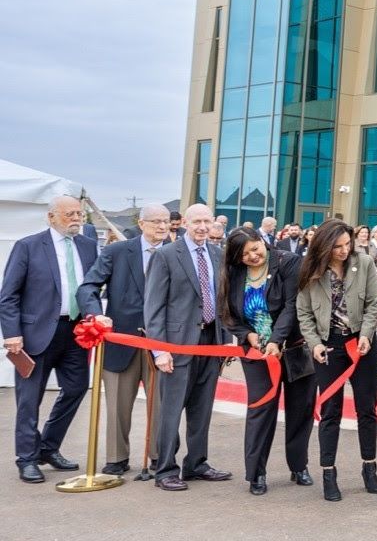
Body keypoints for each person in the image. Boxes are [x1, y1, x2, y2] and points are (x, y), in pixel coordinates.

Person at [0, 195, 97, 483]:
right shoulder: (28, 246)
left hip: (75, 333)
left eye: (79, 214)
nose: (76, 219)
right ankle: (26, 459)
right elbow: (8, 296)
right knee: (30, 400)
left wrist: (96, 315)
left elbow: (90, 288)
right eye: (69, 214)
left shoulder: (88, 246)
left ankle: (48, 447)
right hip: (35, 335)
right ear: (51, 217)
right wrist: (12, 334)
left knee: (77, 388)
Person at [76, 202, 168, 476]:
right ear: (141, 224)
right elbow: (88, 287)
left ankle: (159, 457)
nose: (162, 227)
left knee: (162, 405)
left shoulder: (175, 253)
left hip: (162, 344)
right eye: (155, 221)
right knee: (117, 404)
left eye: (166, 221)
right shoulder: (116, 251)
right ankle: (117, 458)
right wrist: (95, 315)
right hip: (121, 341)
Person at [219, 227, 314, 495]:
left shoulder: (288, 262)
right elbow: (227, 314)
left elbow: (292, 305)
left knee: (300, 408)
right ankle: (256, 473)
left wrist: (276, 339)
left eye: (255, 248)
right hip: (257, 355)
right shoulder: (234, 274)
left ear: (263, 241)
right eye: (245, 253)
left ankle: (299, 465)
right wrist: (246, 335)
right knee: (260, 411)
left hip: (293, 349)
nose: (253, 255)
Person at [144, 203, 230, 490]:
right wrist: (159, 350)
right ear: (183, 224)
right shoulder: (166, 255)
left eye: (207, 221)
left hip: (210, 343)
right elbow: (153, 307)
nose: (203, 227)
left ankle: (196, 464)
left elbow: (222, 300)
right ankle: (166, 469)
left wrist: (225, 341)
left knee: (202, 408)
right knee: (171, 410)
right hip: (177, 345)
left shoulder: (218, 254)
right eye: (197, 222)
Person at [298, 220, 377, 501]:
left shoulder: (365, 262)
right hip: (330, 345)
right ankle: (328, 472)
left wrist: (367, 334)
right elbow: (304, 313)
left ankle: (369, 468)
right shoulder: (311, 270)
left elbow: (374, 302)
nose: (344, 250)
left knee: (367, 408)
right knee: (331, 410)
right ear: (324, 246)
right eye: (337, 247)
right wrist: (314, 345)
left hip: (361, 342)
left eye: (348, 244)